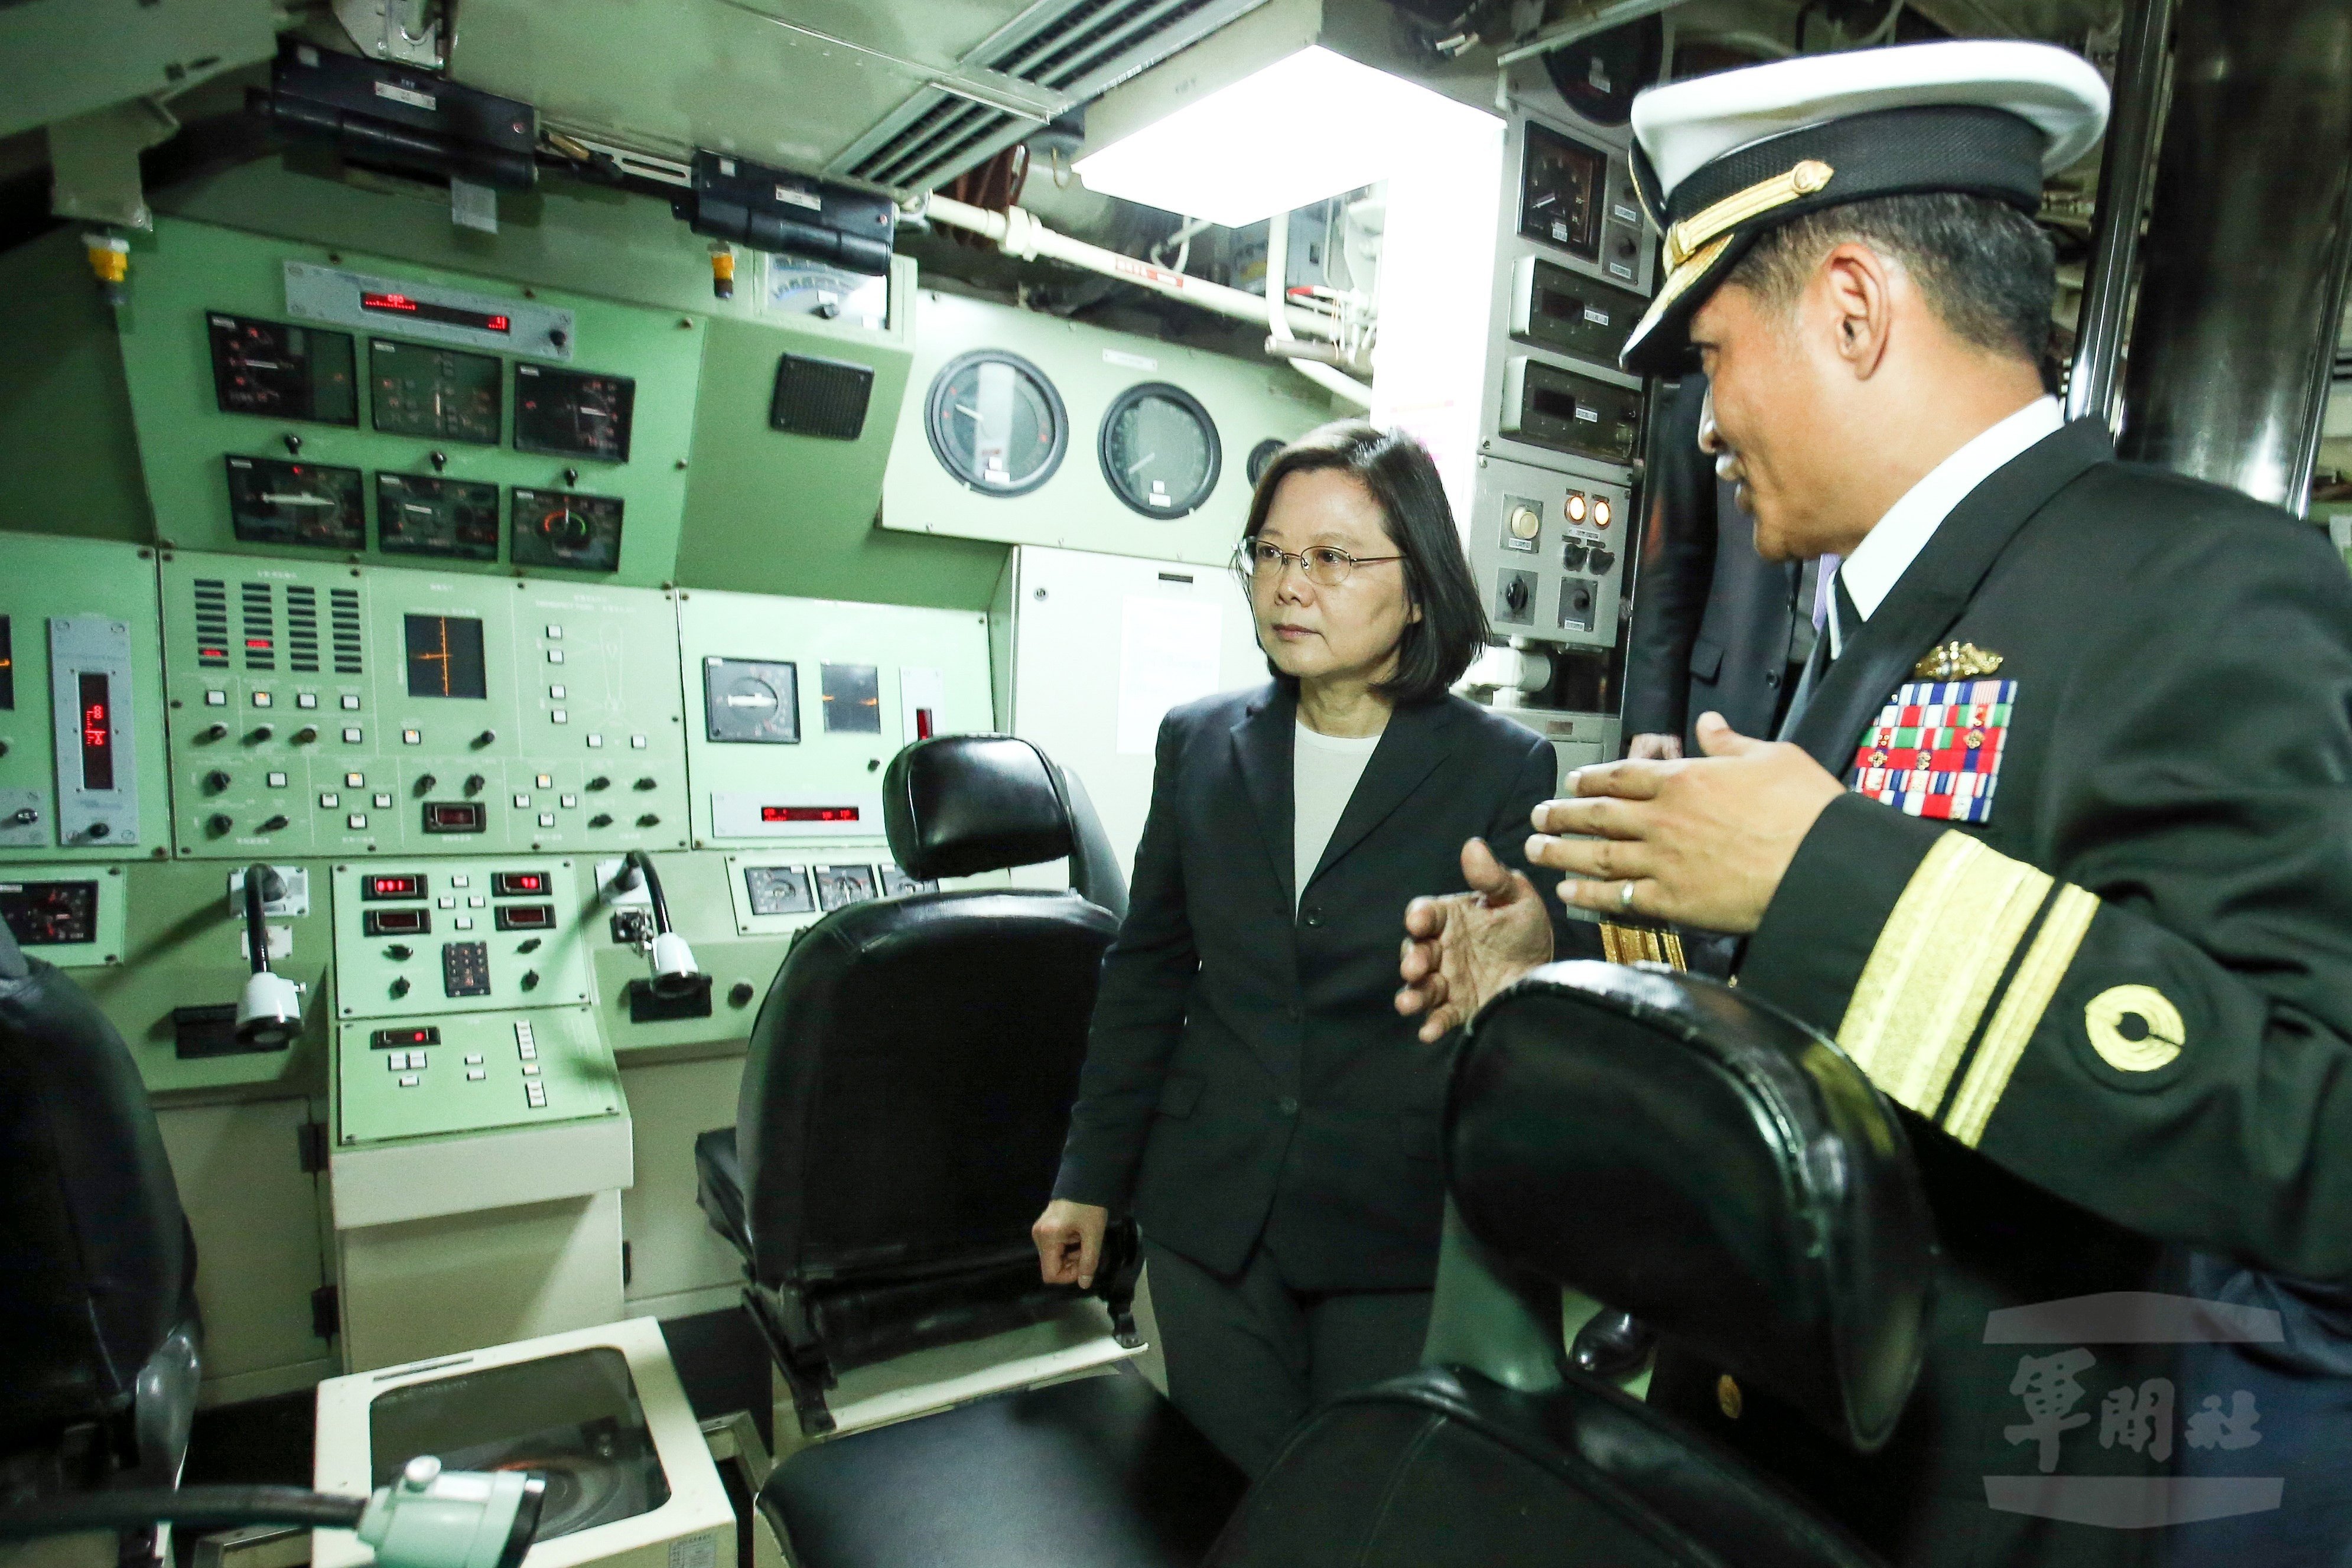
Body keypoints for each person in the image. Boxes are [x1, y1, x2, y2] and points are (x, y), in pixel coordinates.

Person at [1395, 38, 2352, 1568]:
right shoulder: (1874, 637)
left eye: (1710, 353)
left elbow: (2317, 1119)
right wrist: (1559, 971)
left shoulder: (2200, 584)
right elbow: (1832, 1039)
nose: (1703, 427)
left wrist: (1820, 872)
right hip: (1808, 1465)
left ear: (1850, 305)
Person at [1030, 419, 1582, 1478]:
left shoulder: (1502, 764)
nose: (1291, 585)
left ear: (1419, 588)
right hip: (1210, 1211)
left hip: (1392, 1221)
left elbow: (1533, 979)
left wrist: (1543, 944)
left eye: (1331, 558)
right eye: (1271, 553)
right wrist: (1088, 1174)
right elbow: (1145, 971)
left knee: (1360, 1513)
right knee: (1234, 1502)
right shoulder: (1199, 739)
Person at [1621, 371, 1829, 761]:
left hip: (1842, 684)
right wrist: (1654, 715)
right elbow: (1672, 558)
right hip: (1728, 687)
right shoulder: (1709, 385)